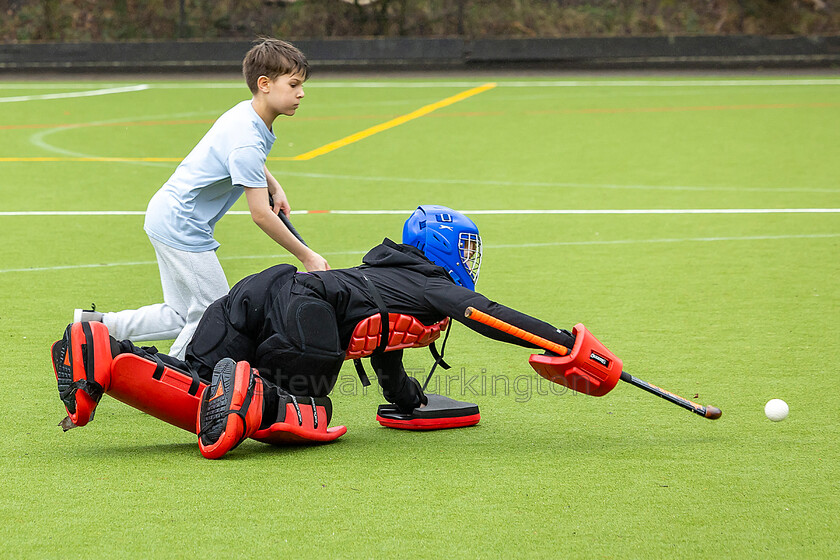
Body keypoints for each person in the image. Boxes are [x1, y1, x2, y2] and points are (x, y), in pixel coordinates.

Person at [53, 205, 582, 459]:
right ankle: (255, 394)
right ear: (444, 251)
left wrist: (407, 401)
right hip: (304, 311)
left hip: (258, 291)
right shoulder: (433, 288)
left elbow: (384, 353)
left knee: (197, 381)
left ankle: (100, 350)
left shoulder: (379, 275)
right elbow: (487, 314)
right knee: (305, 411)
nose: (468, 261)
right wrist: (560, 342)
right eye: (465, 249)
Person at [75, 38, 330, 360]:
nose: (301, 93)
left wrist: (274, 185)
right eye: (293, 85)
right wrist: (307, 256)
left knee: (181, 313)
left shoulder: (247, 114)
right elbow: (261, 215)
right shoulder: (247, 140)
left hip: (167, 215)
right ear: (264, 84)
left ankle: (92, 327)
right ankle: (174, 378)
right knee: (214, 312)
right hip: (181, 225)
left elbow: (248, 159)